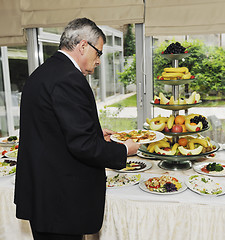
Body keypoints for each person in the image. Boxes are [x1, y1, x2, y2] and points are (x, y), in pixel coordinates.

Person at [14, 18, 140, 240]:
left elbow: (50, 128)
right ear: (83, 46)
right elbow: (83, 145)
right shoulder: (69, 79)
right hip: (60, 201)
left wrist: (92, 131)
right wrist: (124, 150)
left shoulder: (45, 71)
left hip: (44, 194)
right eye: (98, 52)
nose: (99, 60)